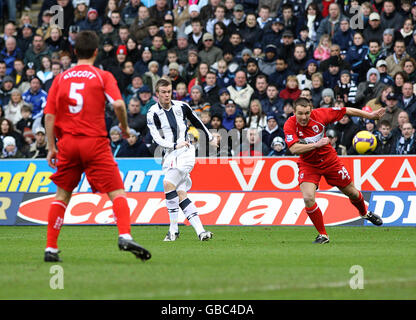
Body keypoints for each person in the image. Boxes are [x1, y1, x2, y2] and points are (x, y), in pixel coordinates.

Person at [43, 30, 151, 263]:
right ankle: (124, 234)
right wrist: (124, 127)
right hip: (95, 142)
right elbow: (120, 104)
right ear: (95, 51)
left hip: (68, 143)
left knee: (62, 195)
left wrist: (51, 147)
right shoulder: (102, 76)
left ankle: (51, 248)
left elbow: (49, 115)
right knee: (116, 191)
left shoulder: (61, 78)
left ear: (74, 51)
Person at [283, 98, 385, 244]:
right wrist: (317, 144)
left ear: (311, 110)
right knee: (308, 198)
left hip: (330, 161)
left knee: (352, 192)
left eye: (307, 113)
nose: (304, 117)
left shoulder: (321, 114)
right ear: (294, 112)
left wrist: (369, 116)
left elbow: (347, 110)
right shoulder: (290, 124)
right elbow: (293, 148)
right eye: (300, 113)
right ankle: (323, 235)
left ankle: (364, 213)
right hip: (308, 164)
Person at [146, 78, 218, 242]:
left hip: (186, 152)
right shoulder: (152, 113)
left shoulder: (182, 106)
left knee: (167, 184)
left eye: (169, 92)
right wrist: (173, 144)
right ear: (157, 94)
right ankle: (201, 231)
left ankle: (173, 231)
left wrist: (210, 137)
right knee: (180, 194)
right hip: (170, 154)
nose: (167, 95)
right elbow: (156, 138)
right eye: (163, 92)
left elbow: (197, 121)